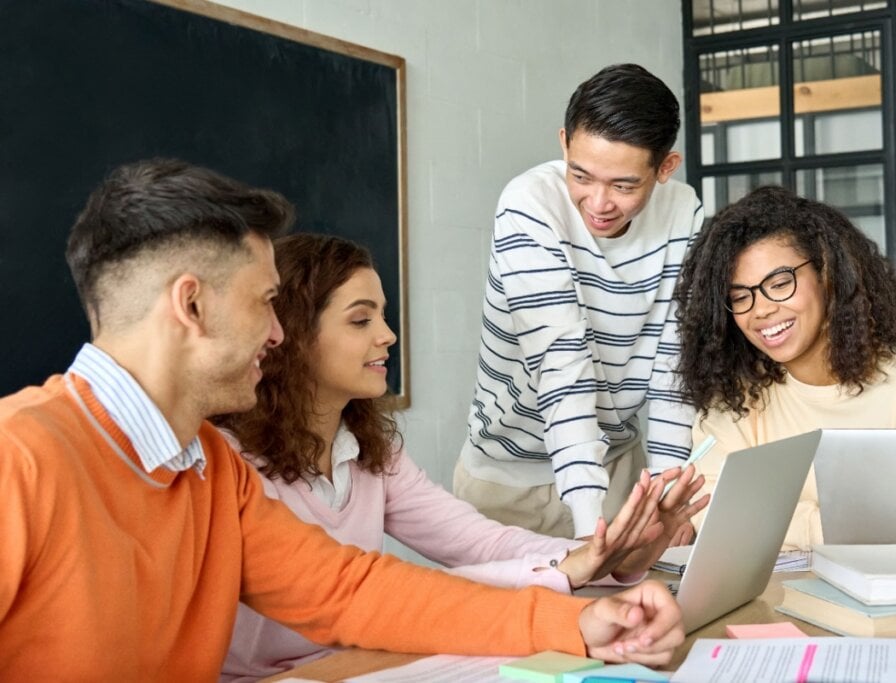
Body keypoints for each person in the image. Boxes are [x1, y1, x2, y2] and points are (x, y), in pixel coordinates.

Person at [0, 158, 687, 680]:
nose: (278, 334)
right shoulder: (17, 458)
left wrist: (581, 622)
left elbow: (352, 589)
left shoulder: (208, 467)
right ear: (192, 306)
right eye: (265, 303)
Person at [217, 233, 708, 681]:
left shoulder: (373, 449)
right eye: (361, 320)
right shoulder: (230, 464)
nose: (387, 335)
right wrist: (568, 569)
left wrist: (601, 557)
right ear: (293, 336)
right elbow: (371, 591)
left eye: (383, 316)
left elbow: (476, 541)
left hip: (364, 661)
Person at [455, 63, 706, 541]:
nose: (598, 202)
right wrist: (594, 535)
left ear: (665, 168)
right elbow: (561, 368)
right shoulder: (529, 206)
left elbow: (674, 371)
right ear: (564, 142)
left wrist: (669, 494)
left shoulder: (684, 212)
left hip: (616, 468)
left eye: (624, 185)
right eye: (582, 175)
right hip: (509, 481)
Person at [673, 185, 896, 552]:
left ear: (828, 275)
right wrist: (863, 527)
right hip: (777, 607)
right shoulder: (738, 401)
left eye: (779, 283)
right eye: (740, 297)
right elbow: (714, 512)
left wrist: (781, 522)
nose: (760, 310)